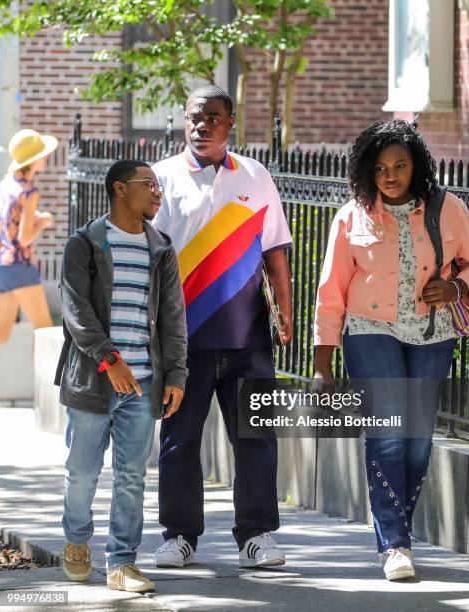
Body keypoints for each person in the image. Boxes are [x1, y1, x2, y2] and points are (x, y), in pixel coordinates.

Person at [313, 119, 469, 581]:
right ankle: (394, 544)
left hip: (433, 334)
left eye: (400, 166)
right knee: (389, 434)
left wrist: (456, 288)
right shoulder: (352, 215)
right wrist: (322, 360)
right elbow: (330, 290)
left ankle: (399, 530)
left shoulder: (447, 208)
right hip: (370, 331)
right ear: (367, 170)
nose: (390, 175)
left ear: (417, 167)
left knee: (417, 442)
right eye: (381, 167)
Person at [152, 86, 293, 568]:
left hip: (247, 335)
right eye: (195, 117)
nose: (201, 125)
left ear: (230, 124)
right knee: (178, 441)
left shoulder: (256, 176)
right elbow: (146, 259)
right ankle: (179, 536)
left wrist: (286, 312)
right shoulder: (161, 179)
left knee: (255, 440)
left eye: (213, 117)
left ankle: (255, 536)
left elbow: (275, 250)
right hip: (182, 341)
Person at [55, 160, 188, 593]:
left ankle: (122, 562)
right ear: (119, 189)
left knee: (132, 476)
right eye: (148, 185)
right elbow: (76, 312)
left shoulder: (161, 248)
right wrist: (110, 360)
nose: (157, 193)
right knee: (82, 472)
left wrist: (176, 374)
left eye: (159, 186)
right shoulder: (86, 243)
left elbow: (173, 318)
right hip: (93, 382)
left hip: (144, 382)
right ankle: (76, 541)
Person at [0, 129, 58, 344]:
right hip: (20, 266)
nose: (46, 157)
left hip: (2, 267)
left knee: (0, 334)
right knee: (44, 332)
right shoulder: (28, 192)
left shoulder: (4, 186)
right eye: (43, 154)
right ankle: (44, 380)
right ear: (33, 161)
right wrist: (43, 221)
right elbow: (24, 239)